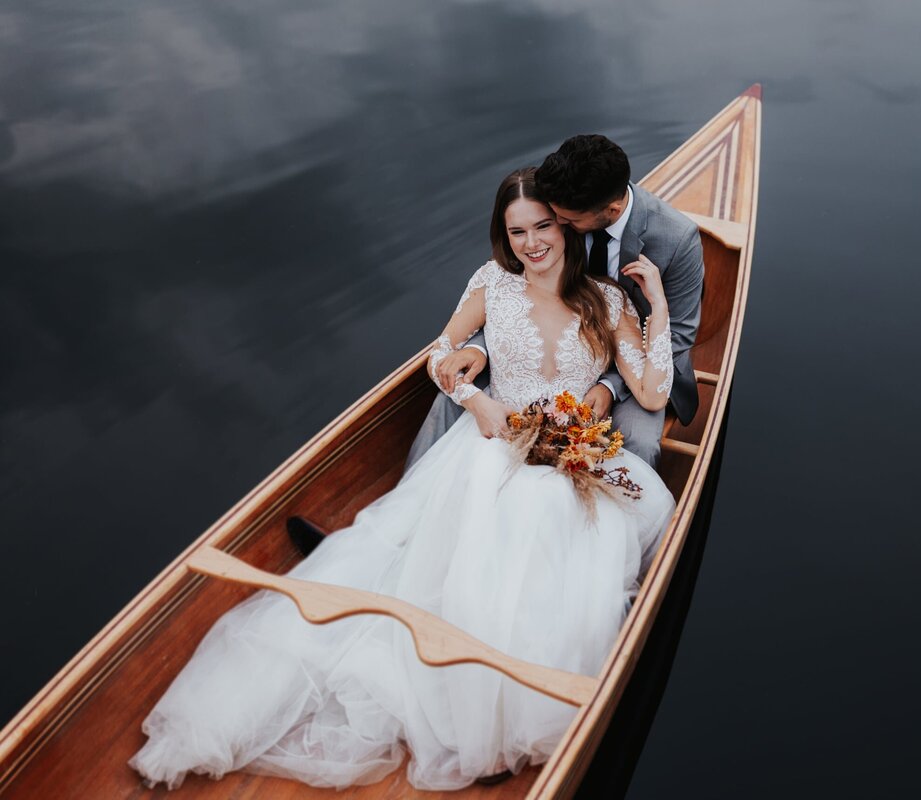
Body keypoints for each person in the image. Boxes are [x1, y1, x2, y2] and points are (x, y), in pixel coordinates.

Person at [128, 168, 677, 791]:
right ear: (504, 235)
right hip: (493, 444)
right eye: (516, 230)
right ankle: (465, 711)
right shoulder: (492, 285)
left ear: (564, 223)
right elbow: (440, 351)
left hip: (571, 451)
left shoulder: (606, 300)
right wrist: (476, 399)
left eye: (542, 226)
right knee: (486, 545)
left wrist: (654, 305)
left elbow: (653, 389)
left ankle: (498, 712)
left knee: (557, 538)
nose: (531, 242)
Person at [408, 134, 704, 469]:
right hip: (507, 414)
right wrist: (480, 354)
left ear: (611, 211)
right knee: (447, 401)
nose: (536, 239)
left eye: (560, 223)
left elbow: (675, 343)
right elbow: (507, 300)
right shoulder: (559, 203)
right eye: (518, 232)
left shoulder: (675, 243)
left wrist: (611, 381)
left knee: (637, 444)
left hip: (630, 361)